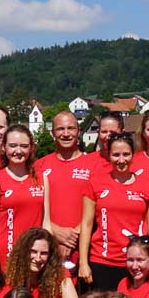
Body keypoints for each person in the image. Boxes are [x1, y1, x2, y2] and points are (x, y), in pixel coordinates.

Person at [79, 132, 149, 292]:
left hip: (137, 262)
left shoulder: (147, 185)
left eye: (126, 154)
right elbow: (86, 224)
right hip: (103, 261)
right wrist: (83, 263)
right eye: (116, 155)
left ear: (133, 155)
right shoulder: (95, 183)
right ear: (108, 155)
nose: (121, 160)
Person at [38, 110, 96, 261]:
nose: (66, 134)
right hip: (48, 246)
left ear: (79, 131)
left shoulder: (95, 165)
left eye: (71, 128)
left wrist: (72, 237)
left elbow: (100, 205)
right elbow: (33, 208)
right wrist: (55, 231)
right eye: (60, 129)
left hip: (85, 248)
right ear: (52, 133)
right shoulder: (39, 166)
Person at [0, 123, 44, 260]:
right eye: (13, 146)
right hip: (6, 256)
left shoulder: (41, 179)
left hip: (35, 256)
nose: (18, 151)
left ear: (31, 148)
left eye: (24, 146)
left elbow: (45, 223)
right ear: (3, 147)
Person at [5, 227, 78, 298]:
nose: (38, 258)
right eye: (33, 252)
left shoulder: (60, 276)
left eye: (43, 253)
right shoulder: (12, 276)